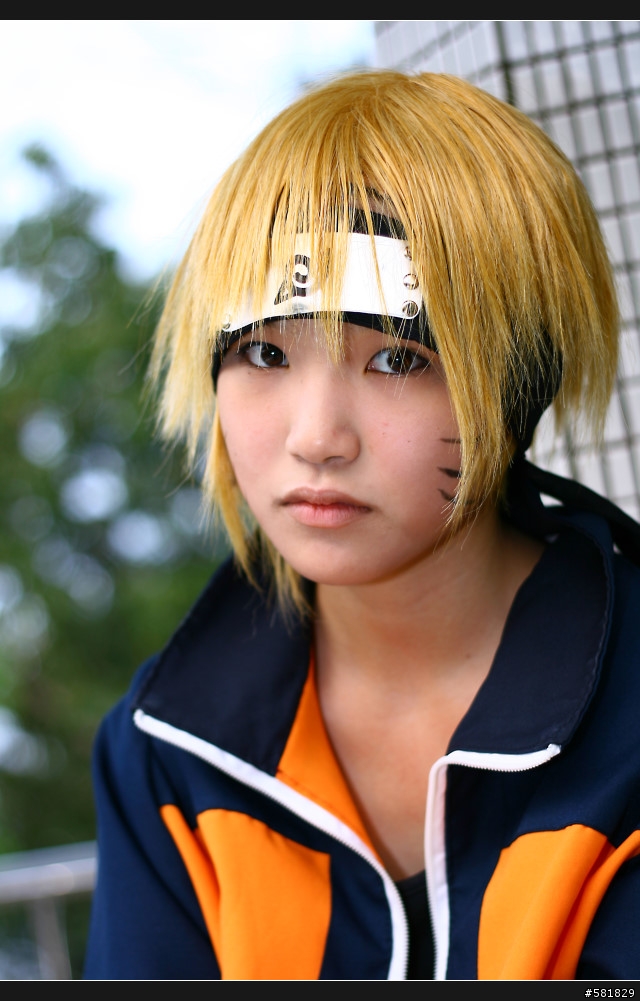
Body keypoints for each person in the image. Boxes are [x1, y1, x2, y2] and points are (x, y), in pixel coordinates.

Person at [84, 71, 640, 980]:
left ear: (524, 379)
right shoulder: (162, 747)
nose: (316, 438)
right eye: (264, 350)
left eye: (397, 359)